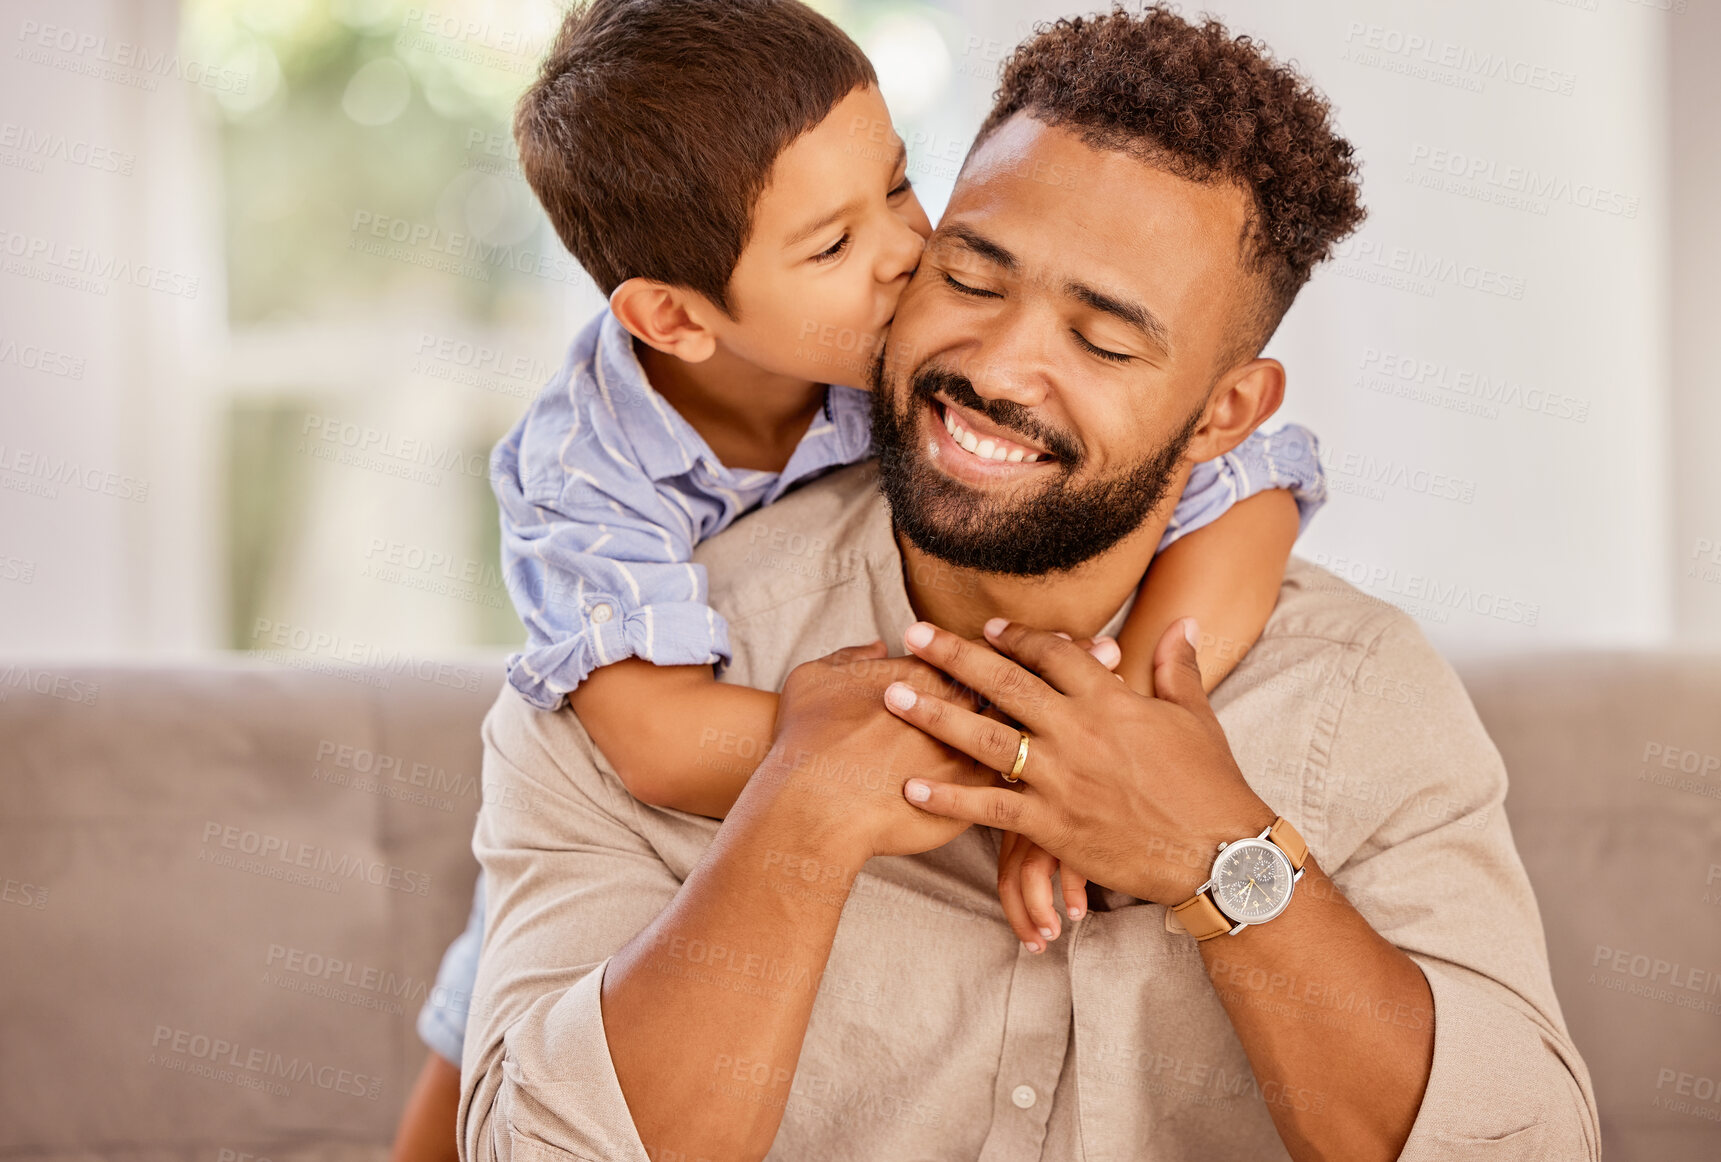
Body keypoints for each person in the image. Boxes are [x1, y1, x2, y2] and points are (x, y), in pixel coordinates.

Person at [458, 6, 1600, 1161]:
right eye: (968, 276)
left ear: (1222, 412)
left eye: (1103, 342)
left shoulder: (1358, 693)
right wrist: (799, 818)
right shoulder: (634, 659)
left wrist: (1219, 853)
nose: (999, 367)